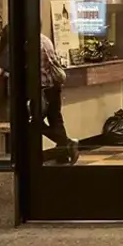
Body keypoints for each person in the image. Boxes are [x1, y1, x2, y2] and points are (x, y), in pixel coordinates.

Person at [40, 33, 76, 164]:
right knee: (56, 120)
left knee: (33, 121)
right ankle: (63, 154)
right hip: (53, 86)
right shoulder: (45, 40)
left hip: (41, 88)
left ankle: (66, 144)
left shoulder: (31, 43)